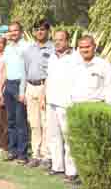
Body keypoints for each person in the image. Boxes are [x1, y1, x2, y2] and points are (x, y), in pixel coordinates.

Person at [64, 35, 111, 184]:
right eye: (81, 47)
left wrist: (109, 110)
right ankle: (73, 174)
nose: (84, 50)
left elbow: (110, 87)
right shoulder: (75, 65)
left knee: (94, 145)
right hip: (76, 108)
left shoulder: (103, 65)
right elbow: (69, 87)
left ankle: (92, 176)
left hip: (96, 109)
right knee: (75, 143)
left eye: (87, 47)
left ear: (94, 46)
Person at [44, 31, 76, 180]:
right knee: (54, 136)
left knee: (68, 137)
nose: (57, 43)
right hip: (51, 101)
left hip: (66, 102)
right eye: (55, 40)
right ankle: (57, 166)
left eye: (61, 40)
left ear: (68, 41)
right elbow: (49, 78)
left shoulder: (75, 57)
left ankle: (71, 171)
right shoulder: (52, 57)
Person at [23, 20, 54, 169]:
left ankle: (46, 155)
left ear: (48, 31)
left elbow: (52, 73)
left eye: (42, 29)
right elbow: (25, 71)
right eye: (37, 29)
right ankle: (35, 154)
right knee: (34, 123)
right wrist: (23, 91)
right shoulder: (29, 49)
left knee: (45, 123)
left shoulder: (53, 49)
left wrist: (46, 91)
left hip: (44, 87)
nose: (40, 32)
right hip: (30, 87)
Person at [0, 22, 29, 165]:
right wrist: (1, 89)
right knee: (10, 121)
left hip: (19, 84)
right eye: (10, 31)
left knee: (20, 121)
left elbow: (26, 70)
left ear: (21, 31)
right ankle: (12, 150)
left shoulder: (26, 47)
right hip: (9, 85)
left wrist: (23, 91)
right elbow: (5, 68)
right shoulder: (8, 48)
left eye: (15, 30)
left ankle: (22, 154)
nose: (12, 33)